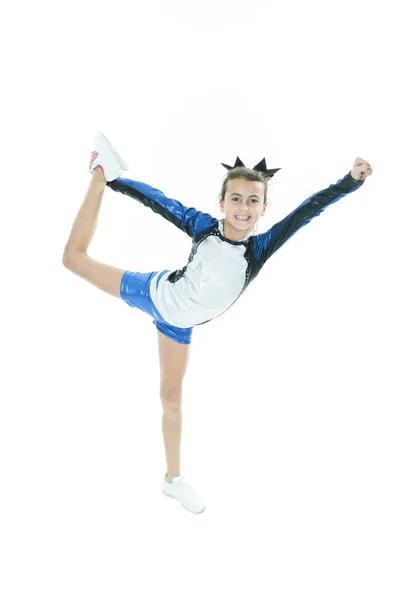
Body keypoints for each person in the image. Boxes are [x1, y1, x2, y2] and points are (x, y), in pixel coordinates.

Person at [62, 132, 373, 514]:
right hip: (157, 294)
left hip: (177, 326)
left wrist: (350, 181)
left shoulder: (260, 249)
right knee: (74, 259)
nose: (244, 207)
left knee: (170, 398)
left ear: (263, 209)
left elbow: (309, 210)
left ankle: (172, 481)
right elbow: (160, 202)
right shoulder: (203, 227)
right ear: (222, 203)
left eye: (253, 201)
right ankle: (99, 172)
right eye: (237, 198)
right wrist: (113, 181)